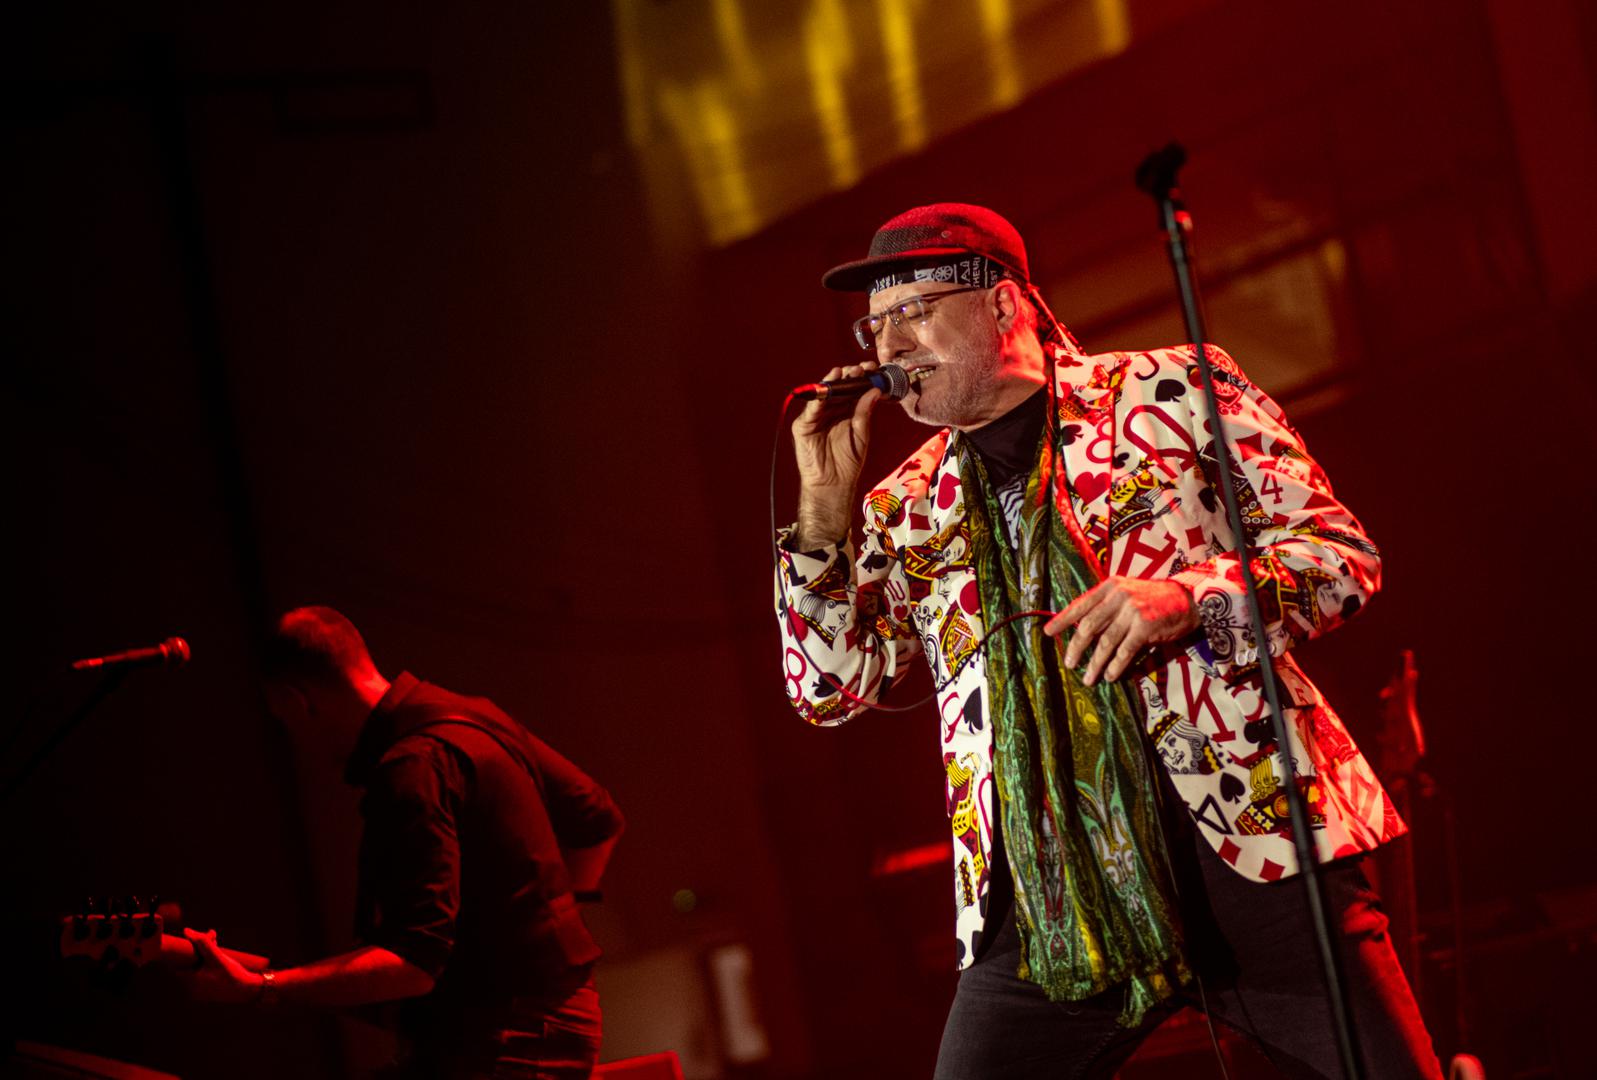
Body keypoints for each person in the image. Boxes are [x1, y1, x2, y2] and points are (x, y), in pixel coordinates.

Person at [774, 203, 1442, 1078]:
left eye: (913, 312)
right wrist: (821, 515)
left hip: (1254, 851)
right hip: (1047, 898)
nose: (887, 346)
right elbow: (827, 691)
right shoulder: (901, 506)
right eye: (875, 326)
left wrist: (1188, 598)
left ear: (1002, 303)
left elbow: (1340, 556)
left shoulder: (1174, 391)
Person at [186, 606, 624, 1079]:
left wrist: (263, 987)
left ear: (297, 701)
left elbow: (414, 962)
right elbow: (598, 820)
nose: (295, 742)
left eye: (285, 721)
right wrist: (548, 927)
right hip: (552, 1021)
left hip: (511, 1040)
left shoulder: (412, 767)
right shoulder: (474, 715)